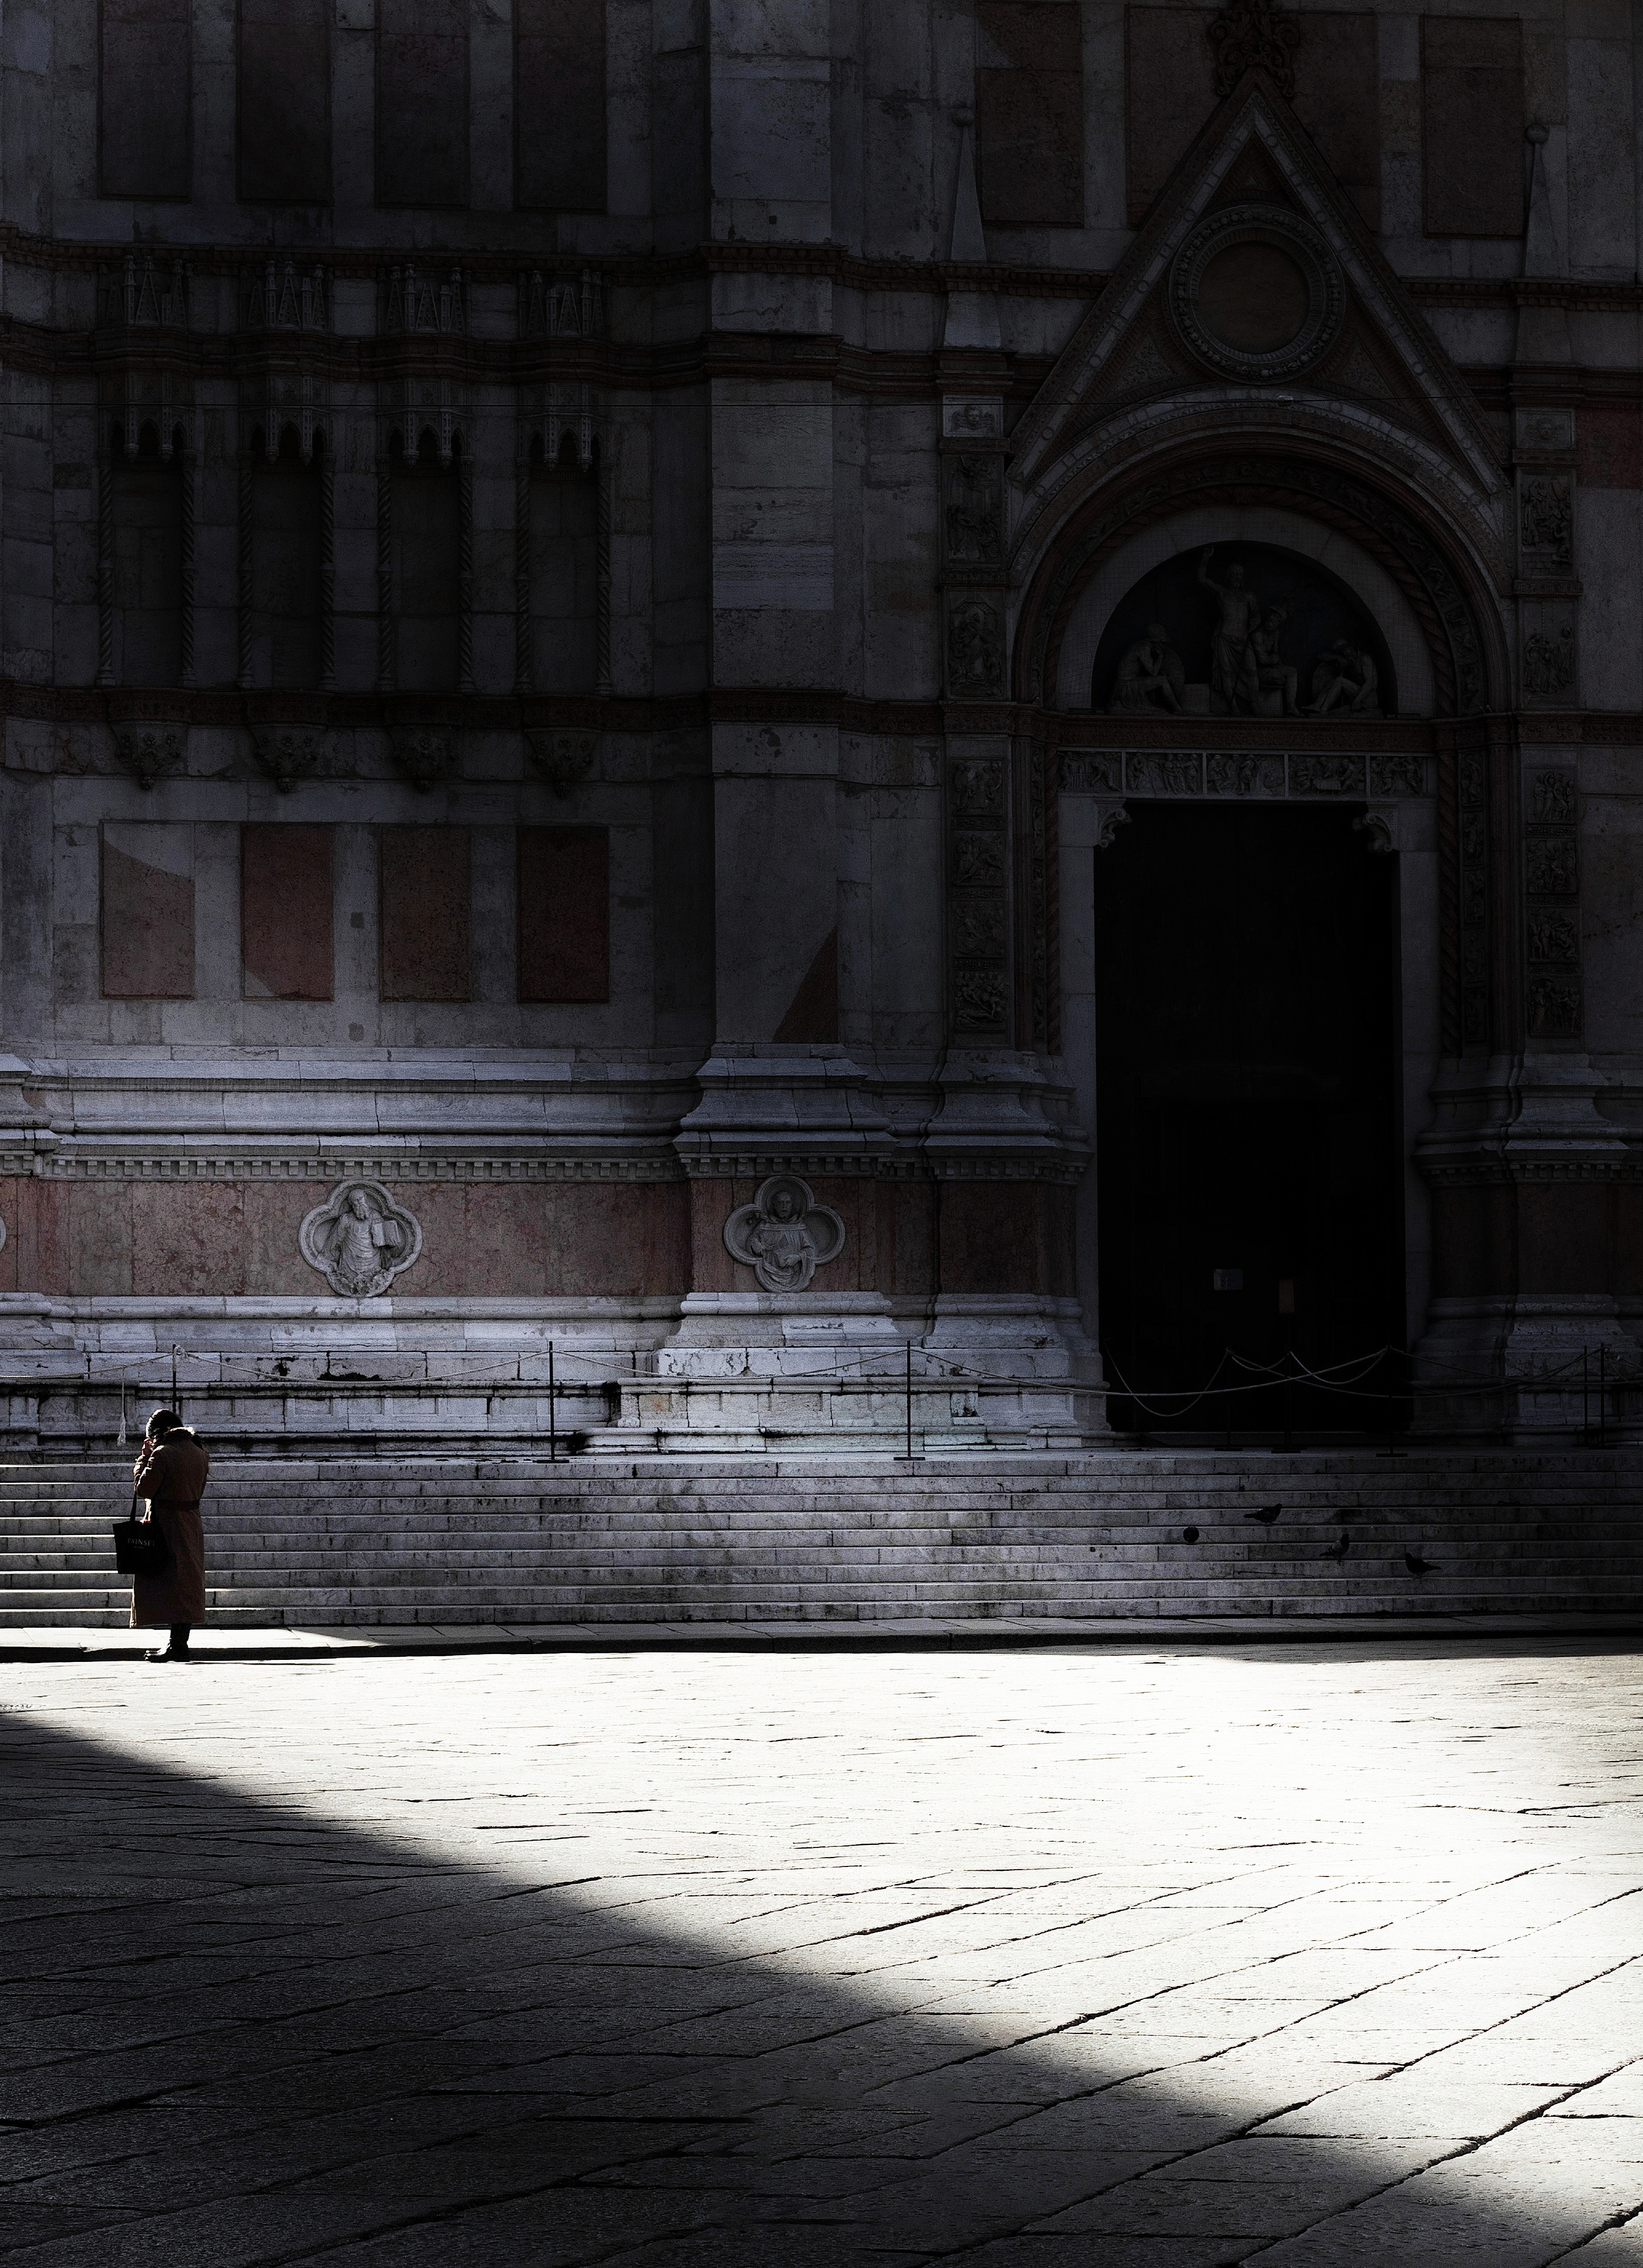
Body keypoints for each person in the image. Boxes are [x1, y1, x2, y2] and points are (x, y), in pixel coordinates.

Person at [130, 1409, 210, 1663]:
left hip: (165, 1524)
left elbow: (144, 1488)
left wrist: (143, 1459)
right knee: (186, 1583)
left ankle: (177, 1646)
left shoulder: (162, 1454)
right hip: (191, 1521)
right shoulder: (200, 1452)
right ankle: (178, 1644)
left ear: (156, 1434)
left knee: (172, 1583)